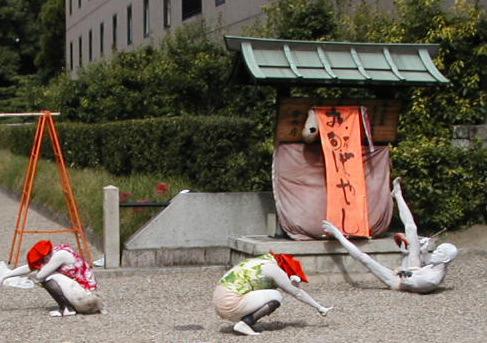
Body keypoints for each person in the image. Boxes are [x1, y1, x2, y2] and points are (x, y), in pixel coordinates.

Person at [322, 177, 458, 294]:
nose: (435, 252)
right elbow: (420, 267)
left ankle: (338, 235)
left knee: (365, 259)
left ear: (445, 259)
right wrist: (422, 248)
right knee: (412, 229)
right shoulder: (438, 265)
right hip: (415, 271)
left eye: (439, 252)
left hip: (398, 282)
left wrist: (405, 256)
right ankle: (397, 194)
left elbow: (405, 280)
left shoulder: (430, 280)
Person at [212, 252, 333, 336]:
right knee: (276, 296)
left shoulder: (258, 261)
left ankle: (244, 320)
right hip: (231, 303)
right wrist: (319, 307)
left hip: (218, 302)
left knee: (262, 293)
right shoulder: (273, 269)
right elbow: (297, 293)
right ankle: (245, 324)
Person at [0, 240, 103, 317]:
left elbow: (39, 276)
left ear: (45, 256)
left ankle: (67, 308)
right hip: (84, 296)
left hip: (86, 300)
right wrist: (6, 276)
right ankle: (68, 307)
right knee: (45, 273)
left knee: (46, 277)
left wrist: (33, 275)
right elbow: (29, 267)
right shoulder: (54, 252)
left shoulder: (59, 256)